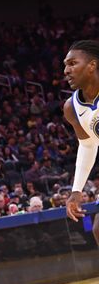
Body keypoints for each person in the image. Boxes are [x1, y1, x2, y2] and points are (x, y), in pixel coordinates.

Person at [63, 40, 99, 223]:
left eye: (72, 63)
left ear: (92, 65)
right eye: (65, 65)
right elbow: (88, 145)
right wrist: (77, 190)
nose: (66, 71)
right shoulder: (72, 107)